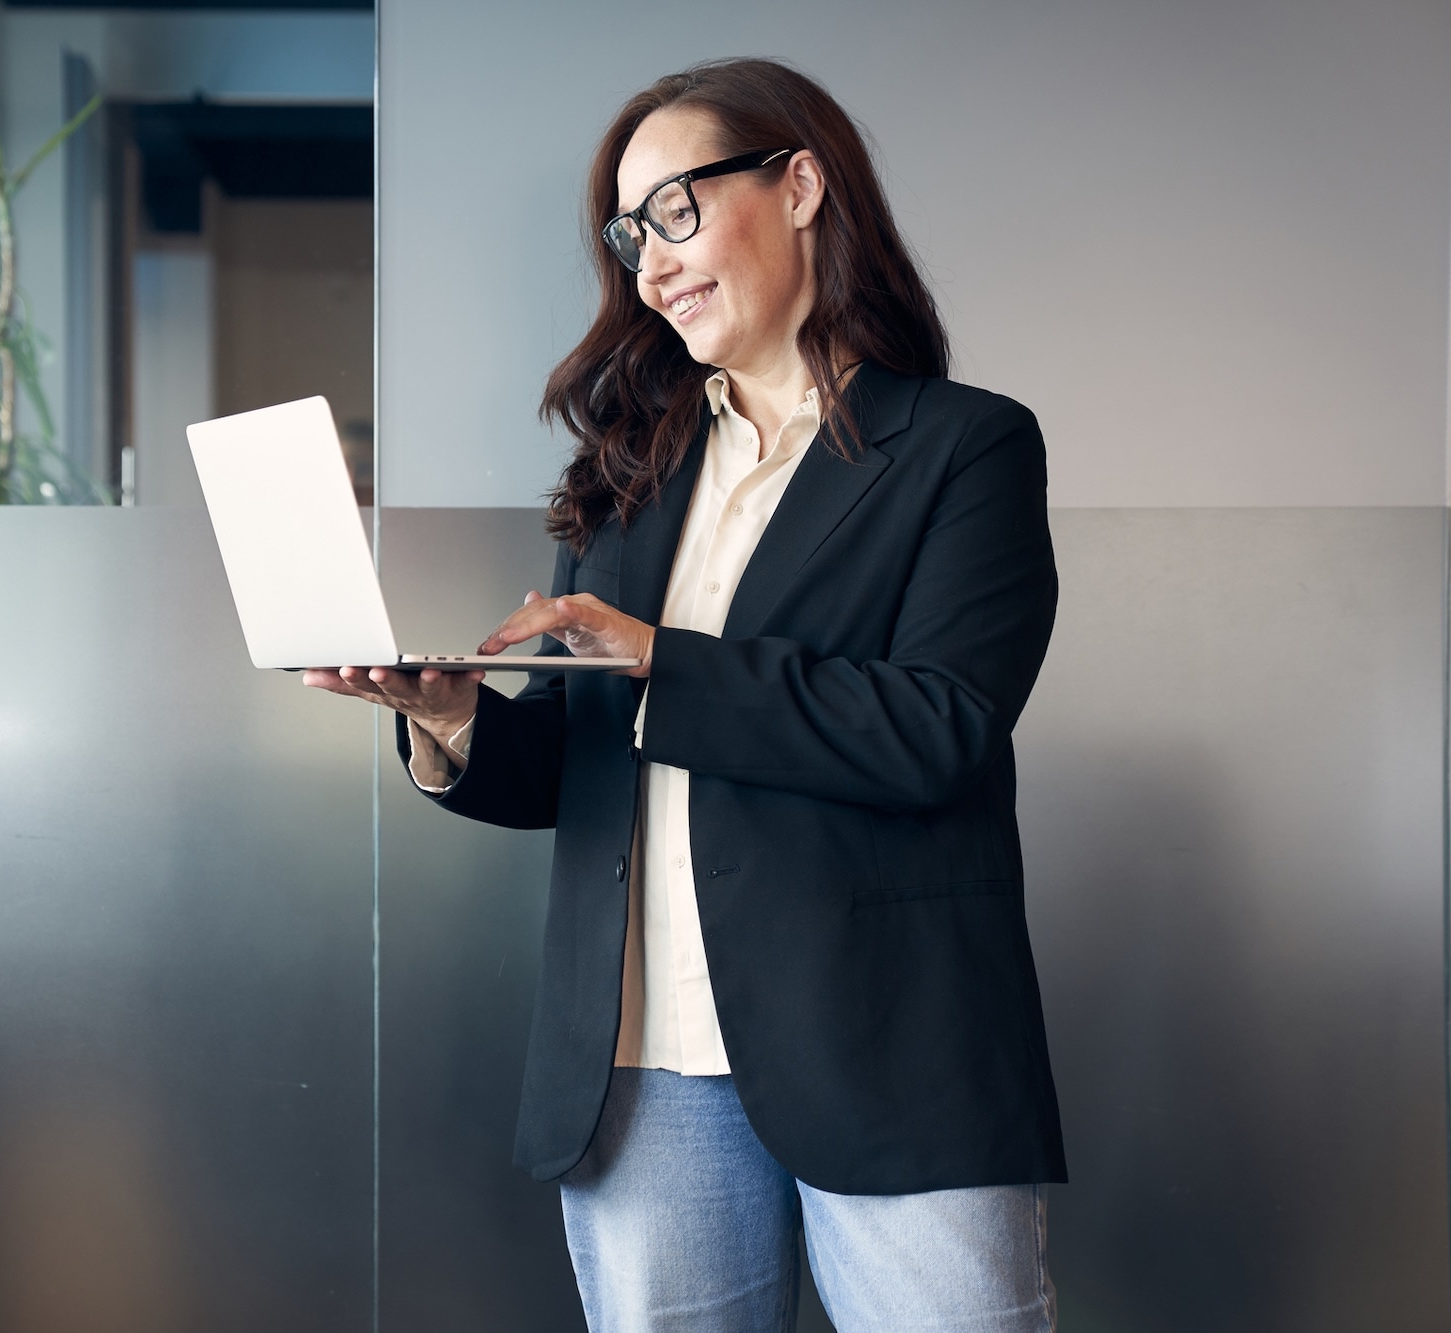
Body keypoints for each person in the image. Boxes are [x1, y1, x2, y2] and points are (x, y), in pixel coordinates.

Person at [307, 57, 1063, 1333]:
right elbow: (585, 771)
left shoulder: (964, 448)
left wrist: (662, 655)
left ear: (802, 184)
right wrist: (447, 716)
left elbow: (939, 729)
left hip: (888, 1051)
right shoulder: (627, 473)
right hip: (640, 1066)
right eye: (627, 231)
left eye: (677, 210)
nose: (650, 264)